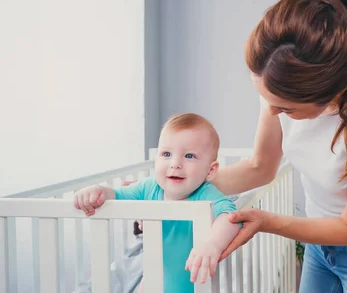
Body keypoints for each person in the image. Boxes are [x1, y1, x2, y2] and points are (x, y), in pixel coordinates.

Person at [211, 0, 347, 293]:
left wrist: (266, 221)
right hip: (318, 244)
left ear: (327, 93)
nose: (271, 112)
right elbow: (259, 167)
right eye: (266, 99)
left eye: (284, 108)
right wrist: (172, 186)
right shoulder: (277, 94)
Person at [73, 113, 240, 292]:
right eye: (166, 154)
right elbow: (116, 195)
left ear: (211, 170)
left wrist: (212, 245)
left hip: (193, 285)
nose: (175, 163)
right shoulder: (149, 187)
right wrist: (99, 191)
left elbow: (230, 217)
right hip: (153, 282)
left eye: (189, 156)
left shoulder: (206, 195)